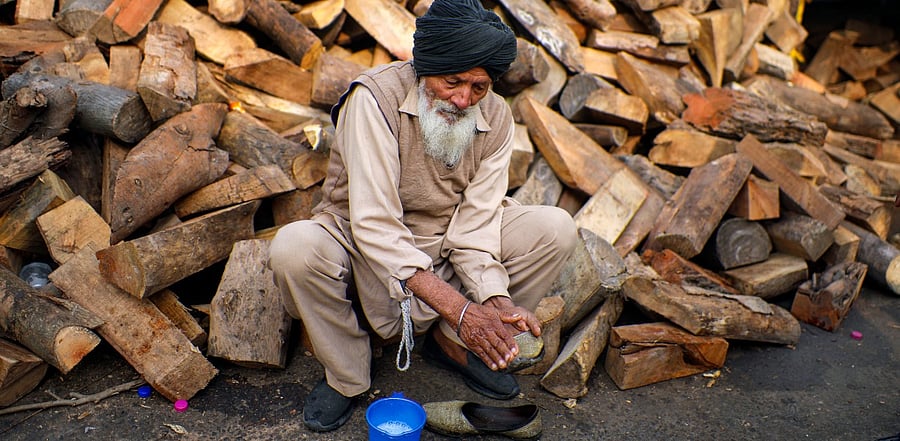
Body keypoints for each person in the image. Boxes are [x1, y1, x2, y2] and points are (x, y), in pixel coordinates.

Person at [268, 0, 577, 432]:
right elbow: (374, 221)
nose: (463, 99)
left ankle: (457, 346)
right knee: (294, 248)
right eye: (452, 82)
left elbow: (478, 223)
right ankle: (348, 377)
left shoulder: (496, 116)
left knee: (554, 228)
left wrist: (495, 303)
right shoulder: (373, 99)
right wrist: (461, 309)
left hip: (445, 240)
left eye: (479, 87)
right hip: (360, 241)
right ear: (424, 66)